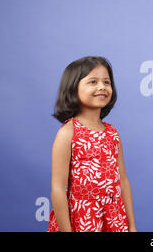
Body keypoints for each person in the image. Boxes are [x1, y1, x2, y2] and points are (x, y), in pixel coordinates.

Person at [47, 56, 136, 232]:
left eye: (106, 82)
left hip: (113, 219)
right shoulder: (68, 133)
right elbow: (57, 188)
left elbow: (123, 181)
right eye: (93, 82)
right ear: (73, 88)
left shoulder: (112, 133)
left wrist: (131, 226)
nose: (102, 87)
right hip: (83, 220)